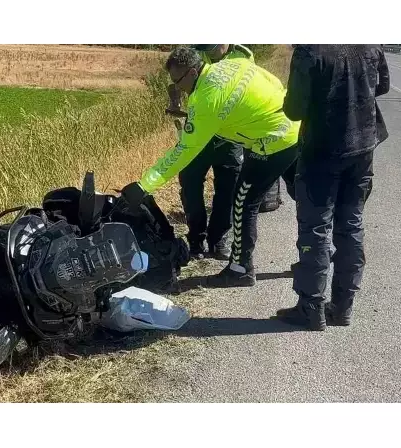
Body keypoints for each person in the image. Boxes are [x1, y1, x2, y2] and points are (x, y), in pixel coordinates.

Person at [121, 47, 301, 286]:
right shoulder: (232, 63)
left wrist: (144, 185)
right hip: (294, 128)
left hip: (272, 140)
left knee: (243, 202)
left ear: (193, 72)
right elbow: (273, 81)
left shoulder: (206, 99)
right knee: (305, 194)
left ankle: (240, 269)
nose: (178, 87)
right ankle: (317, 254)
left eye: (179, 81)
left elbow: (184, 150)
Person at [275, 45, 390, 331]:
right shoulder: (371, 42)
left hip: (321, 150)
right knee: (351, 225)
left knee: (315, 228)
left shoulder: (309, 50)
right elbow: (383, 85)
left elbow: (294, 109)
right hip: (362, 148)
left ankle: (311, 308)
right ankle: (342, 308)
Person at [165, 44, 254, 260]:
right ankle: (196, 238)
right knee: (189, 181)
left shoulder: (243, 55)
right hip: (200, 130)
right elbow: (177, 75)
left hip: (229, 134)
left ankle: (219, 238)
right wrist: (174, 98)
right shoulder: (197, 49)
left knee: (228, 188)